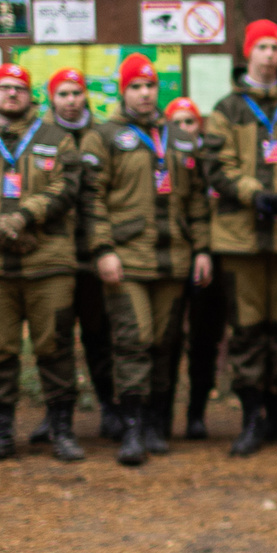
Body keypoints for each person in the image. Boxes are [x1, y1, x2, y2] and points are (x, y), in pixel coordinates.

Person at [81, 55, 215, 466]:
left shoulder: (179, 136)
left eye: (150, 86)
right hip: (128, 259)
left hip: (174, 259)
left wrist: (203, 249)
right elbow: (91, 199)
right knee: (133, 340)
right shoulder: (102, 136)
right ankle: (133, 428)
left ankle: (159, 424)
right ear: (124, 90)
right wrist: (103, 249)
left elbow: (196, 199)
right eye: (136, 86)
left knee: (167, 343)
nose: (144, 93)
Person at [202, 20, 277, 456]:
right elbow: (216, 164)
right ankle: (252, 418)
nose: (271, 55)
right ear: (248, 52)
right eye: (263, 47)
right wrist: (255, 193)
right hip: (241, 239)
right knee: (248, 332)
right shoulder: (226, 109)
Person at [0, 60, 86, 462]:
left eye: (20, 88)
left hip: (49, 262)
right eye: (4, 88)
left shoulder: (57, 138)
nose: (12, 94)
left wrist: (24, 216)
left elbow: (67, 186)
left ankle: (62, 431)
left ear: (30, 97)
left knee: (55, 346)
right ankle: (1, 435)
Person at [42, 66, 120, 444]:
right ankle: (55, 416)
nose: (71, 101)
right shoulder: (38, 136)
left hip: (92, 256)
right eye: (63, 94)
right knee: (54, 338)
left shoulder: (103, 135)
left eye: (77, 94)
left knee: (99, 335)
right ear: (52, 98)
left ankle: (110, 407)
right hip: (51, 255)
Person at [163, 94, 224, 439]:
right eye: (179, 123)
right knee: (169, 339)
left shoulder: (212, 159)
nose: (186, 129)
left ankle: (197, 412)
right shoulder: (163, 160)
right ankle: (163, 413)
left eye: (191, 122)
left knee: (205, 340)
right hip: (171, 258)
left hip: (210, 259)